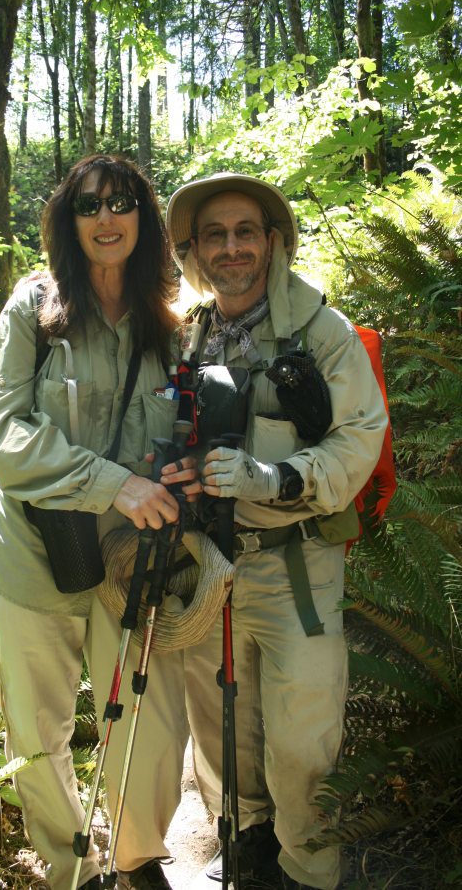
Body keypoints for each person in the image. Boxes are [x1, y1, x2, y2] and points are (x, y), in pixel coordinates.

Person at [0, 154, 201, 890]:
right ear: (68, 221)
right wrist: (114, 484)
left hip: (121, 558)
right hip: (28, 552)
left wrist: (175, 473)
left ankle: (137, 858)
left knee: (145, 717)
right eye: (90, 205)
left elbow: (182, 430)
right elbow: (2, 430)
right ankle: (78, 866)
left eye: (123, 201)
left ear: (144, 216)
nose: (108, 217)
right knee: (38, 731)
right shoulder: (33, 308)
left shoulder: (167, 318)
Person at [166, 173, 389, 890]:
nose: (232, 248)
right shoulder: (184, 335)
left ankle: (309, 869)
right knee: (223, 733)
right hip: (208, 568)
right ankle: (246, 842)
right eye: (215, 235)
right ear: (194, 249)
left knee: (302, 737)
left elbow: (360, 436)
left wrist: (275, 478)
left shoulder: (322, 332)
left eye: (246, 232)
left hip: (297, 567)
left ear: (272, 241)